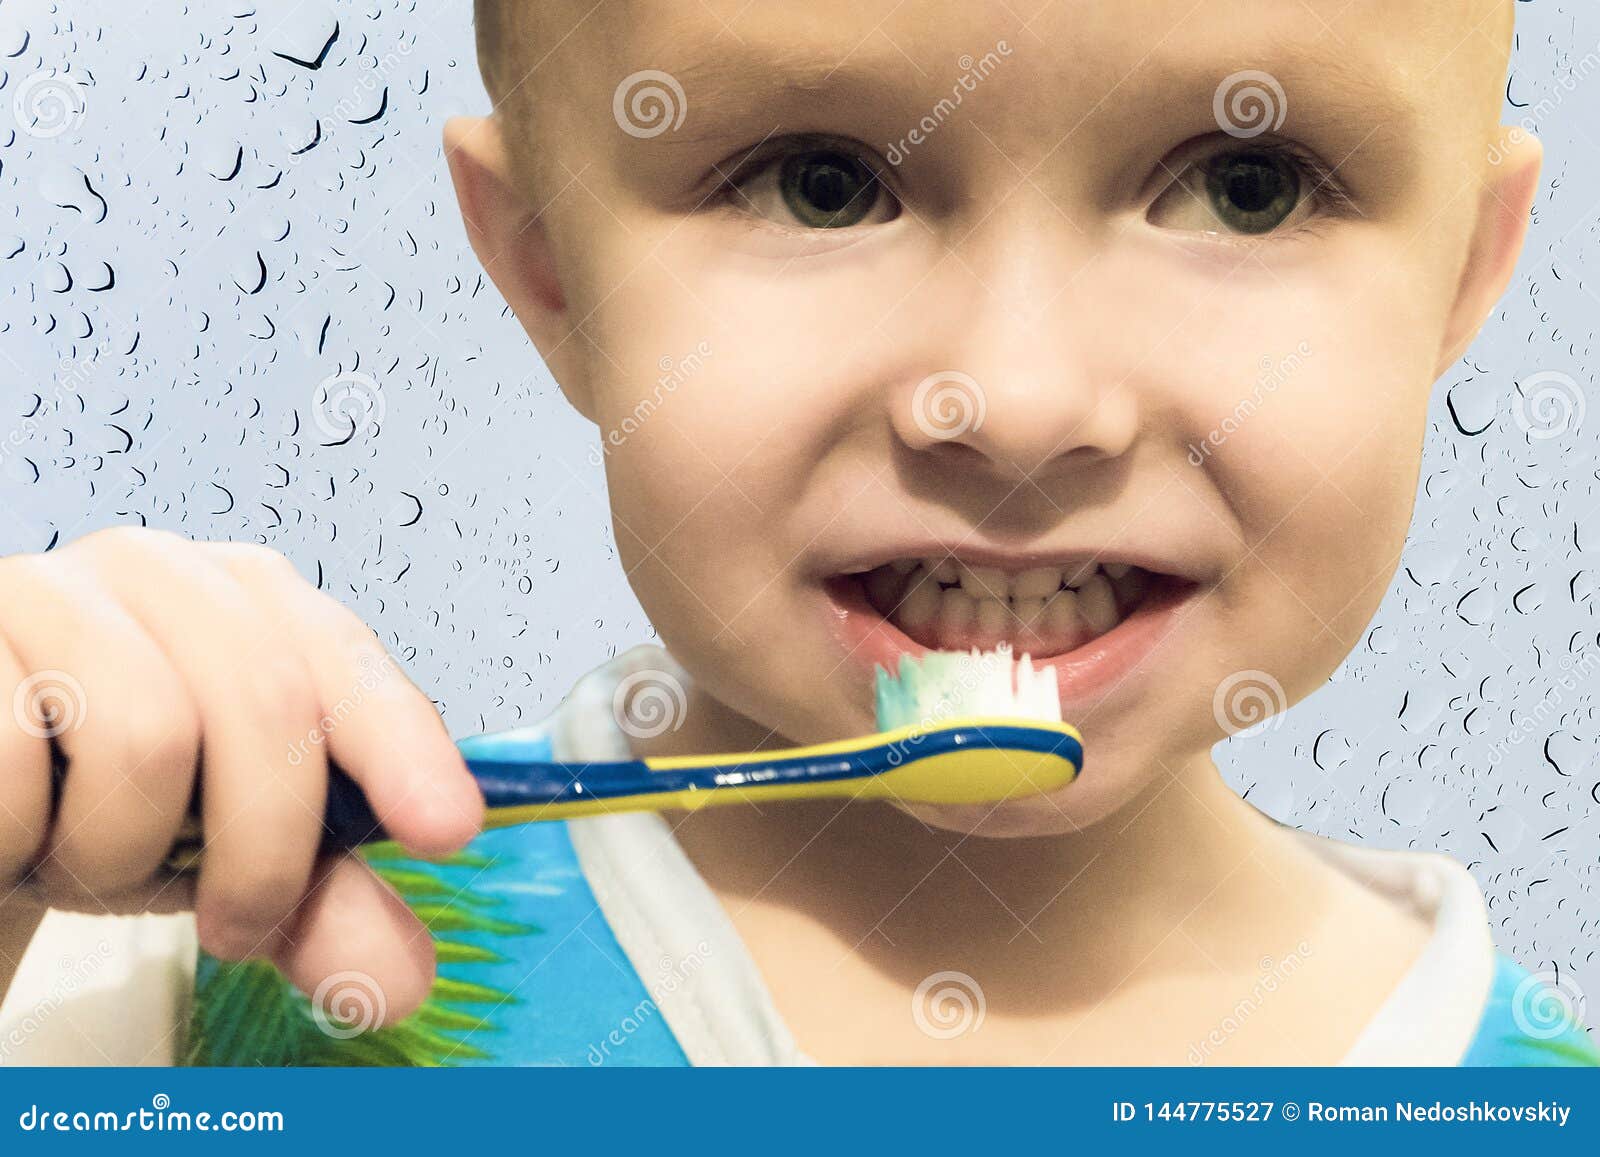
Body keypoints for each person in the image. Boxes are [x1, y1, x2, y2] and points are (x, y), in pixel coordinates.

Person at [1, 0, 1593, 1065]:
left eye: (1248, 186)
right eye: (822, 185)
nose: (1016, 402)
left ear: (1464, 272)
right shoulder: (176, 975)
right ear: (549, 271)